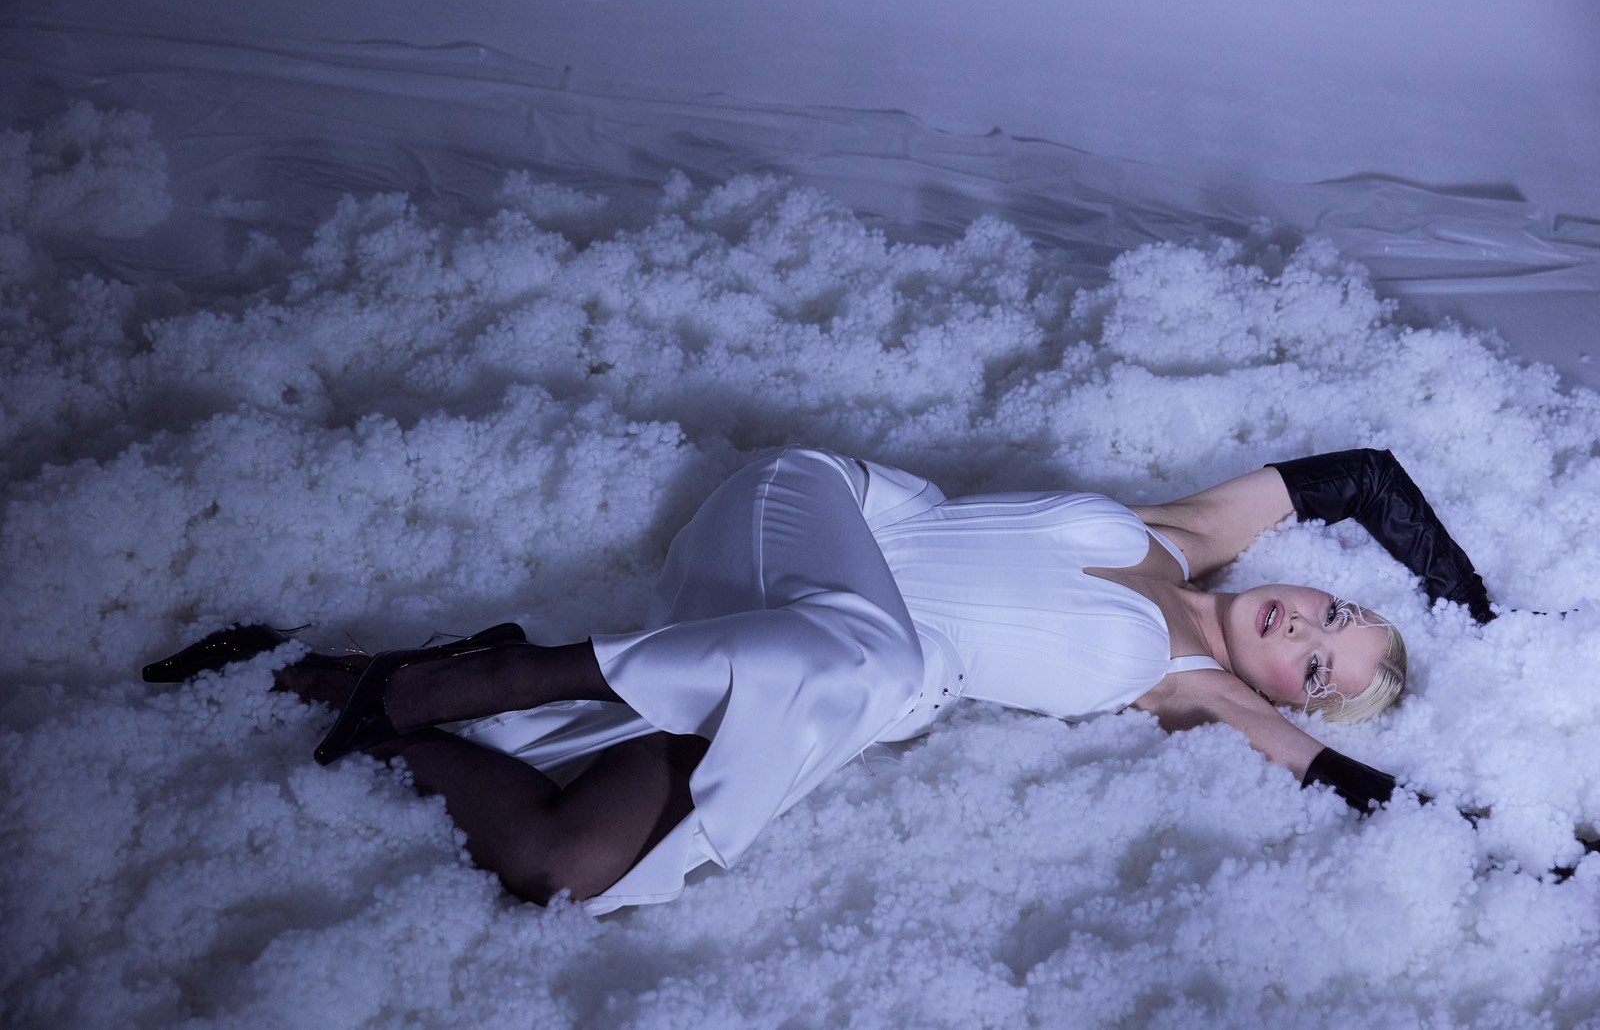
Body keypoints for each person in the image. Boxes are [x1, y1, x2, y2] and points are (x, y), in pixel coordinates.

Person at [142, 447, 1493, 913]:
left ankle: (328, 689)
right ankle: (458, 679)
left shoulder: (1210, 694)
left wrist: (1547, 847)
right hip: (818, 523)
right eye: (1337, 610)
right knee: (879, 648)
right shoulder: (1198, 531)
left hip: (825, 681)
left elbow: (1371, 793)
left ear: (1289, 698)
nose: (1305, 626)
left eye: (1318, 666)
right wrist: (1487, 614)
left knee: (573, 866)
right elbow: (1364, 475)